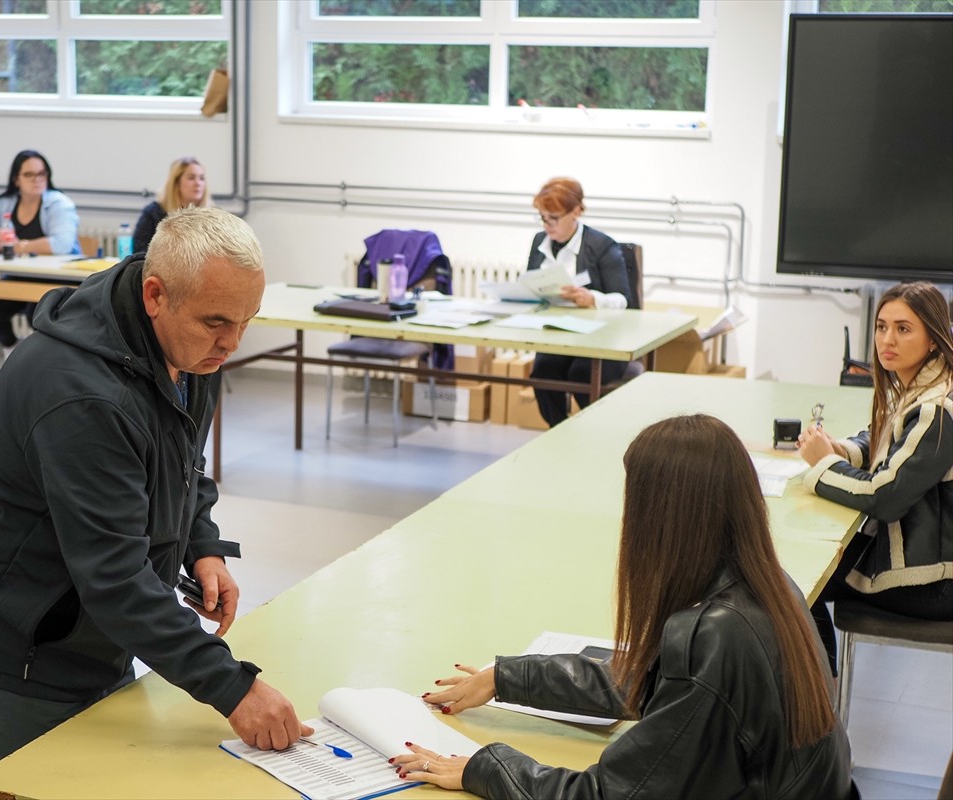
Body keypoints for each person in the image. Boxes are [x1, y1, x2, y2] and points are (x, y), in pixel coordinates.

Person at [0, 206, 311, 795]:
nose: (231, 343)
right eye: (217, 322)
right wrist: (233, 687)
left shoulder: (183, 341)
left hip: (90, 631)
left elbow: (180, 460)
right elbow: (114, 579)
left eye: (246, 321)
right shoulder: (82, 397)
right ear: (155, 294)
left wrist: (202, 545)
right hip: (10, 647)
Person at [392, 414, 855, 799]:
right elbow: (651, 680)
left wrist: (485, 767)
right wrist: (506, 677)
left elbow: (612, 795)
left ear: (664, 515)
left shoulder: (715, 634)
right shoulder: (767, 584)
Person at [799, 281, 953, 674]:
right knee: (790, 581)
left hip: (932, 581)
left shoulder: (937, 408)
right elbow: (883, 439)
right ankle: (811, 703)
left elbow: (886, 497)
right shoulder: (920, 385)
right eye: (882, 326)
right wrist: (840, 450)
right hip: (926, 563)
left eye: (903, 329)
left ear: (934, 339)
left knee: (796, 585)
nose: (888, 339)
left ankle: (811, 713)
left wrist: (823, 468)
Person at [525, 177, 634, 427]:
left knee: (582, 374)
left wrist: (592, 298)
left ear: (576, 212)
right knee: (543, 373)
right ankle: (559, 431)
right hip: (557, 334)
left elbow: (624, 299)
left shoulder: (603, 246)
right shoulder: (539, 242)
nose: (547, 225)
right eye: (542, 217)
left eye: (553, 218)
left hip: (600, 339)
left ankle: (592, 432)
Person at [0, 149, 80, 358]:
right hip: (22, 274)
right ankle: (12, 350)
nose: (37, 179)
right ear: (16, 179)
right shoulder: (4, 202)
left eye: (42, 174)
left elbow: (62, 244)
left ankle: (45, 363)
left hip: (59, 278)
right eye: (29, 174)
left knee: (36, 313)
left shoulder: (59, 202)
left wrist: (19, 246)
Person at [132, 156, 209, 254]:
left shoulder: (213, 215)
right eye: (191, 178)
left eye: (202, 178)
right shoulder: (153, 213)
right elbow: (139, 254)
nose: (198, 183)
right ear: (176, 182)